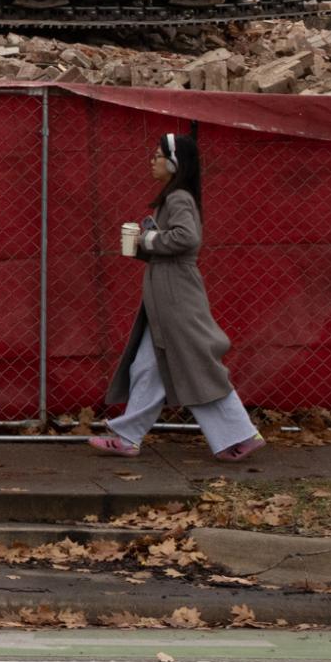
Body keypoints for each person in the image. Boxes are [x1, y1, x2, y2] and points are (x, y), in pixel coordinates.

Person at [89, 133, 265, 462]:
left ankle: (242, 434)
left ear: (174, 163)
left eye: (158, 156)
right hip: (167, 292)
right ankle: (127, 437)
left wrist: (148, 239)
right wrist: (142, 245)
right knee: (147, 366)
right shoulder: (173, 198)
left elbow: (187, 238)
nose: (152, 162)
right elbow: (173, 245)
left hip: (176, 295)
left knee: (197, 362)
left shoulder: (178, 197)